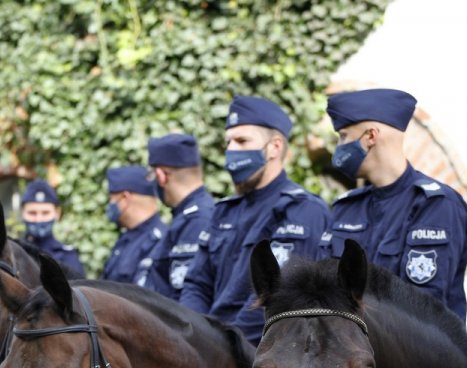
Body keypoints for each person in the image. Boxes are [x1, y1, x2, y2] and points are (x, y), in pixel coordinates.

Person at [180, 95, 331, 344]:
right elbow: (197, 284)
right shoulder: (224, 211)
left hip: (260, 354)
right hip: (207, 349)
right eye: (228, 142)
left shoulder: (302, 210)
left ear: (274, 147)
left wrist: (223, 346)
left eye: (242, 141)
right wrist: (191, 334)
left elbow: (278, 297)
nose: (231, 151)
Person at [325, 88, 467, 320]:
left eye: (344, 136)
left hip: (416, 354)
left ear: (370, 137)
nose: (339, 147)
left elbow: (421, 308)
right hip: (348, 350)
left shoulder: (435, 205)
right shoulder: (346, 208)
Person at [142, 133, 215, 301]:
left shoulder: (197, 220)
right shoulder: (186, 216)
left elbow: (186, 298)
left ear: (161, 176)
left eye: (150, 175)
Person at [101, 166, 165, 284]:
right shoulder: (126, 238)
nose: (110, 204)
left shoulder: (159, 242)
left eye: (111, 198)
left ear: (125, 198)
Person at [19, 179, 85, 278]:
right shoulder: (14, 252)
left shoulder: (68, 257)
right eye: (32, 213)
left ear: (57, 214)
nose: (39, 219)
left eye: (45, 213)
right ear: (22, 213)